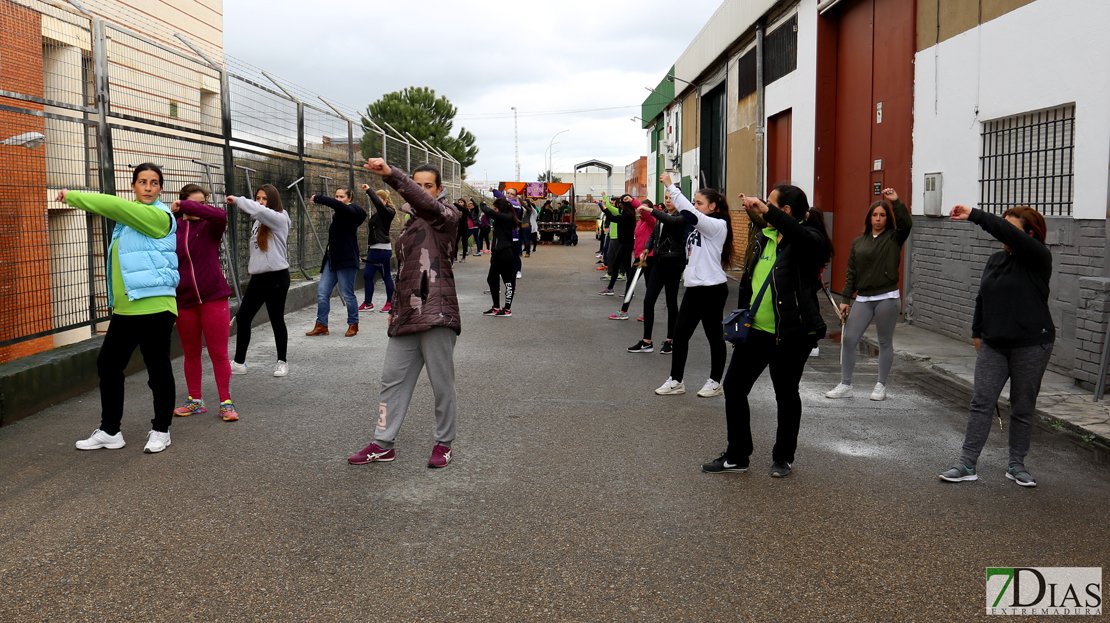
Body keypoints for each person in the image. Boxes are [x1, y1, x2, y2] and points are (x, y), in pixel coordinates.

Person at [702, 186, 831, 478]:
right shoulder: (765, 237)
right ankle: (737, 455)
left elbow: (798, 234)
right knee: (734, 388)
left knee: (785, 395)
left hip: (791, 335)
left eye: (769, 203)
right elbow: (749, 283)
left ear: (785, 211)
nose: (764, 206)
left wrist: (765, 210)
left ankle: (783, 457)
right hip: (756, 332)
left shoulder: (809, 241)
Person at [58, 163, 180, 453]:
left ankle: (161, 430)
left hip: (155, 305)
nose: (148, 187)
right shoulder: (127, 221)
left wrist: (72, 196)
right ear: (133, 185)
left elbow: (113, 205)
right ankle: (110, 431)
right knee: (108, 365)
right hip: (127, 308)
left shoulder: (159, 216)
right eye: (142, 182)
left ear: (161, 188)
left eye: (154, 182)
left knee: (157, 369)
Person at [348, 159, 461, 469]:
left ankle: (444, 443)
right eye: (417, 184)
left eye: (428, 186)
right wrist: (396, 309)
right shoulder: (410, 223)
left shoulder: (447, 216)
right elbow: (406, 273)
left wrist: (392, 175)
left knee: (442, 384)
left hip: (437, 311)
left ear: (439, 190)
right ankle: (383, 443)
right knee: (391, 380)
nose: (422, 191)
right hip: (407, 314)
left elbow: (427, 205)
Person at [939, 204, 1054, 488]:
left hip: (1032, 344)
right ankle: (967, 463)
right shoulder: (995, 260)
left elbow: (1005, 232)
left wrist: (975, 215)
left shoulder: (1039, 257)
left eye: (1010, 228)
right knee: (982, 402)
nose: (1003, 232)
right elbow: (982, 296)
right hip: (994, 344)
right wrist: (977, 331)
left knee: (1022, 406)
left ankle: (1017, 465)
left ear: (1029, 234)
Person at [826, 188, 911, 401]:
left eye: (882, 215)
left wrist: (895, 202)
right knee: (849, 338)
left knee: (884, 342)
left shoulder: (894, 238)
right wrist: (845, 300)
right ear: (869, 218)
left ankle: (881, 385)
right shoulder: (858, 242)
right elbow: (851, 272)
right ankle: (846, 384)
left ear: (887, 218)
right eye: (875, 215)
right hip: (863, 298)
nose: (878, 219)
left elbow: (906, 224)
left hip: (887, 297)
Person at [653, 175, 732, 398]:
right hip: (695, 287)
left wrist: (671, 186)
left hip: (712, 289)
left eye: (699, 202)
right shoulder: (699, 226)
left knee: (714, 336)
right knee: (680, 336)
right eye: (695, 202)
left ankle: (715, 382)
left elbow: (689, 213)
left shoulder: (717, 225)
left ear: (713, 206)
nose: (696, 206)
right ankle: (676, 381)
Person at [170, 184, 238, 422]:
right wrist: (179, 213)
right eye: (194, 203)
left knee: (219, 353)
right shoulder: (173, 228)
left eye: (203, 203)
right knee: (191, 352)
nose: (201, 208)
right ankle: (195, 400)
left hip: (213, 297)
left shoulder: (211, 226)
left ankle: (226, 402)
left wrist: (188, 206)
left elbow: (220, 214)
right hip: (184, 300)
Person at [227, 185, 291, 378]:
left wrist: (238, 200)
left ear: (273, 200)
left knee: (276, 319)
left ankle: (282, 362)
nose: (261, 202)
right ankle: (239, 362)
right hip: (259, 277)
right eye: (258, 198)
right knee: (243, 317)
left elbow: (260, 211)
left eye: (265, 199)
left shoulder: (280, 218)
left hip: (277, 276)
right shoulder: (258, 222)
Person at [627, 193, 685, 354]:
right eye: (666, 198)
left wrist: (651, 211)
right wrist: (647, 248)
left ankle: (670, 340)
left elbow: (671, 222)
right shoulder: (662, 214)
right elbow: (654, 234)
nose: (668, 200)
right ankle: (647, 341)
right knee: (648, 300)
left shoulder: (682, 217)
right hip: (658, 263)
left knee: (671, 302)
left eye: (671, 198)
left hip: (674, 263)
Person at [306, 188, 367, 337]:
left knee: (348, 294)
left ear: (349, 198)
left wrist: (319, 198)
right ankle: (321, 325)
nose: (338, 199)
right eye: (336, 196)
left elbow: (339, 206)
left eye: (341, 196)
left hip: (346, 260)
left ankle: (353, 324)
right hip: (331, 259)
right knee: (322, 293)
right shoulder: (338, 214)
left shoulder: (352, 211)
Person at [608, 199, 655, 320]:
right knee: (632, 283)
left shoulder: (651, 221)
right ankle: (626, 311)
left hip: (648, 258)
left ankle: (638, 313)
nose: (641, 210)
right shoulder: (639, 222)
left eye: (645, 208)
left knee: (644, 285)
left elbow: (647, 215)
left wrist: (634, 201)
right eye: (640, 208)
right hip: (639, 257)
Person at [480, 197, 520, 318]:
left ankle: (507, 309)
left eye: (496, 208)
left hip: (505, 253)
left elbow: (490, 212)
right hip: (497, 253)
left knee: (508, 281)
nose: (495, 210)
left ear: (500, 208)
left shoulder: (507, 217)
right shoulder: (502, 217)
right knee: (492, 279)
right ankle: (496, 307)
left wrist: (482, 205)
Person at [359, 186, 396, 313]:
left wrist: (369, 191)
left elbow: (378, 204)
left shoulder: (388, 212)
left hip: (383, 250)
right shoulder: (377, 214)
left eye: (379, 199)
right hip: (373, 250)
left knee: (386, 276)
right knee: (367, 275)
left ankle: (390, 303)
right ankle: (368, 303)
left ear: (385, 201)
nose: (376, 202)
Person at [599, 194, 637, 296]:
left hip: (626, 244)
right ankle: (611, 288)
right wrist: (604, 209)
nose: (619, 205)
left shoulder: (627, 215)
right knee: (619, 266)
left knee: (625, 268)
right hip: (625, 243)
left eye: (621, 203)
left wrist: (605, 208)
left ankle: (628, 291)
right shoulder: (627, 213)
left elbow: (613, 218)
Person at [454, 198, 470, 262]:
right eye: (459, 202)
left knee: (464, 242)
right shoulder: (456, 210)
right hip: (458, 227)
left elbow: (462, 208)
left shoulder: (465, 209)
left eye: (461, 202)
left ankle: (463, 257)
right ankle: (455, 257)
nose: (460, 203)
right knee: (455, 242)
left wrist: (454, 203)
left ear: (464, 203)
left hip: (464, 228)